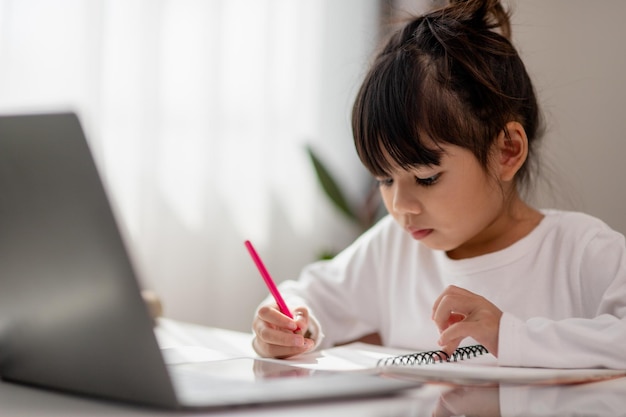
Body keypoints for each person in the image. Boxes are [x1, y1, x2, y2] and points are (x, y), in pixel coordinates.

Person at [251, 0, 626, 368]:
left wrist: (510, 335)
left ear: (506, 152)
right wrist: (287, 325)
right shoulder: (393, 250)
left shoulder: (579, 252)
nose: (401, 206)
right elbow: (309, 296)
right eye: (384, 178)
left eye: (426, 177)